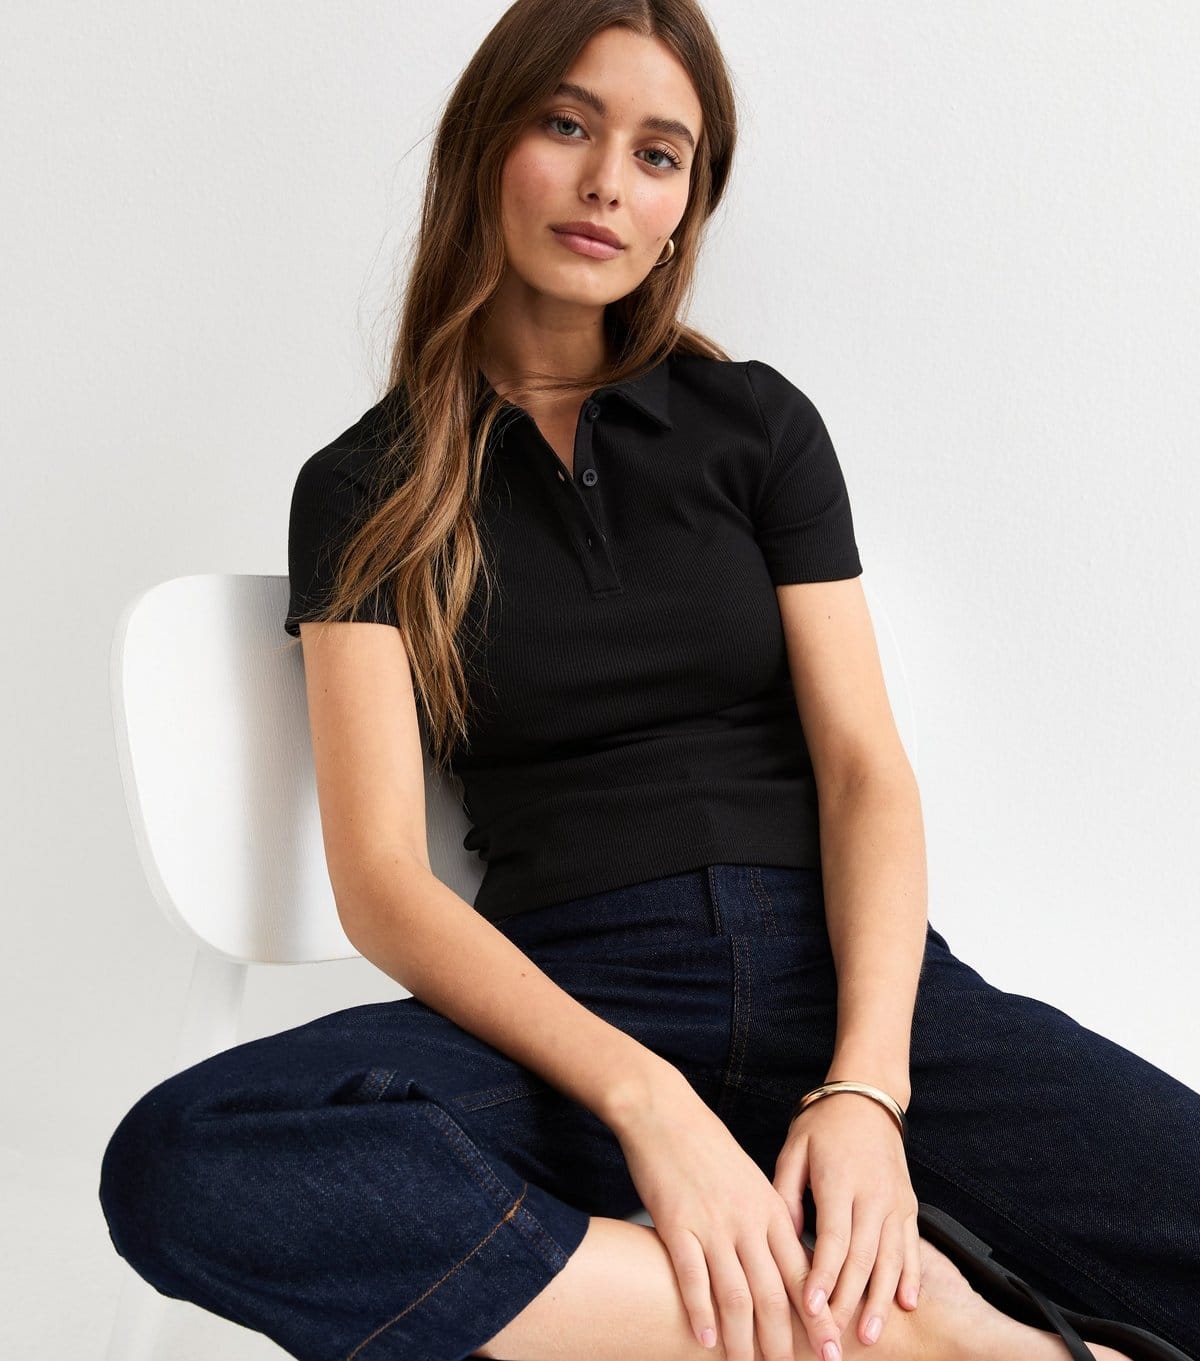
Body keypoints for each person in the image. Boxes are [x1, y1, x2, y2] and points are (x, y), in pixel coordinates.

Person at [98, 4, 1200, 1361]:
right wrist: (648, 1102)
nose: (608, 182)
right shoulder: (366, 487)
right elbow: (382, 878)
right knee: (191, 1158)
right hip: (577, 1000)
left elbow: (864, 769)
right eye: (568, 125)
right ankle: (916, 1338)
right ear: (485, 145)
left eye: (658, 153)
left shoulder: (757, 426)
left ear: (686, 207)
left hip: (844, 978)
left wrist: (866, 1088)